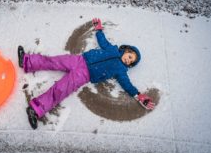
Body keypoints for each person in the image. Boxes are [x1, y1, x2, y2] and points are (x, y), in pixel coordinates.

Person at [18, 18, 155, 129]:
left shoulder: (121, 71)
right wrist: (99, 29)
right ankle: (27, 61)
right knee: (55, 61)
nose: (128, 59)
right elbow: (103, 41)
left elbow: (127, 84)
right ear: (126, 50)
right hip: (79, 59)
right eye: (129, 55)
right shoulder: (112, 49)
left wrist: (138, 95)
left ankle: (35, 110)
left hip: (85, 75)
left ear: (129, 65)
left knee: (61, 89)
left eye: (131, 61)